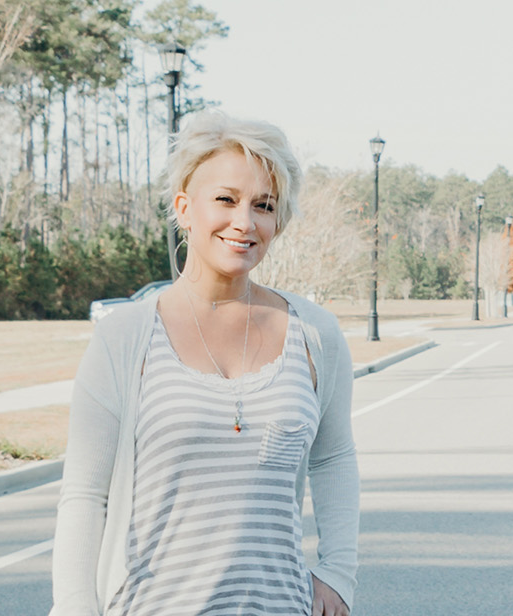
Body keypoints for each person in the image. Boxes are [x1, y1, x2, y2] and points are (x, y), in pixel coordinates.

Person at [50, 112, 359, 616]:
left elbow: (334, 459)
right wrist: (75, 606)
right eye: (226, 199)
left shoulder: (315, 333)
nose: (245, 221)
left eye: (264, 205)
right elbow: (85, 493)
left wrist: (339, 574)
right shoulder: (125, 336)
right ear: (184, 208)